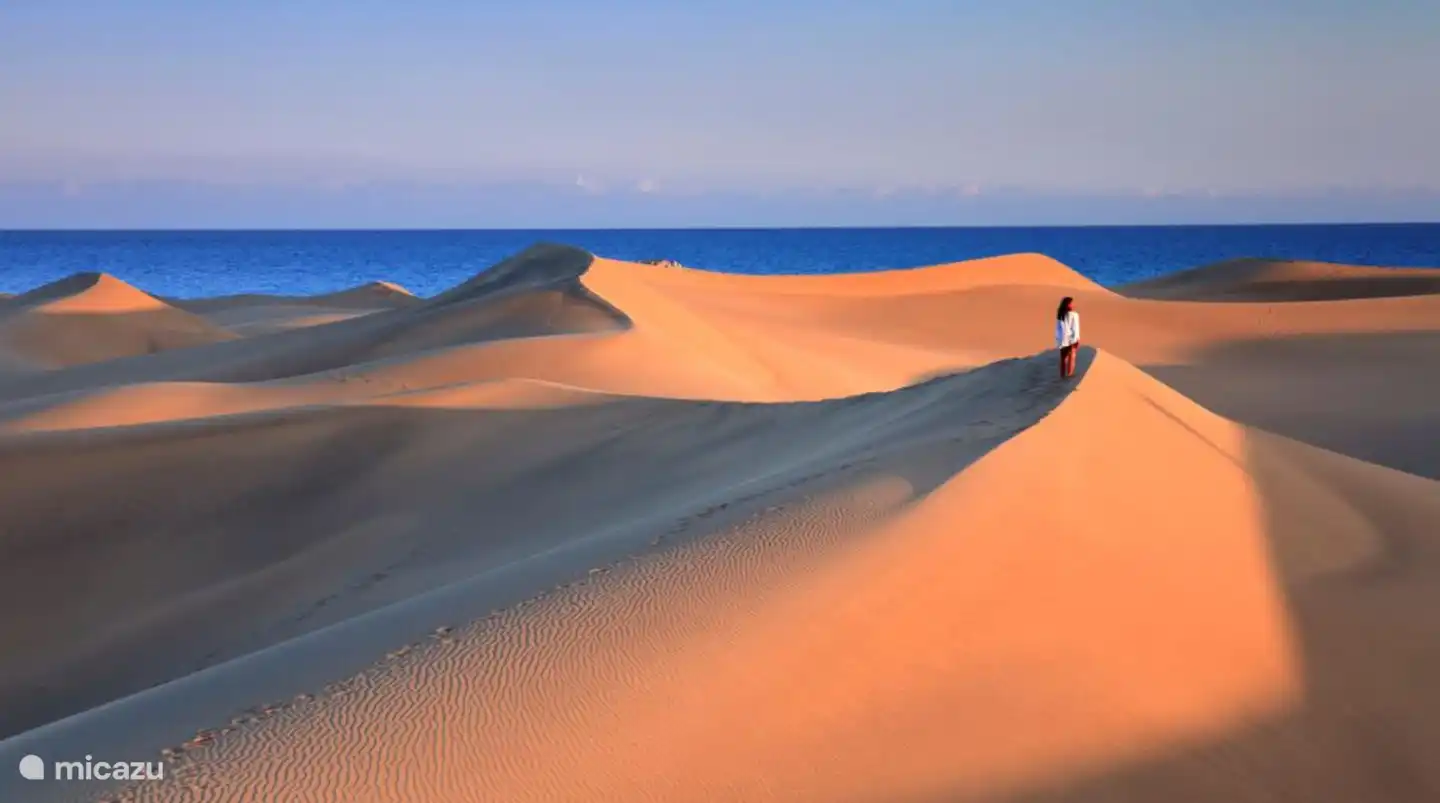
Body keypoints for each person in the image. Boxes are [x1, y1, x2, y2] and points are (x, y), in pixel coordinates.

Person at [1055, 296, 1080, 378]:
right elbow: (1075, 328)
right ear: (1068, 304)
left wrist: (1058, 339)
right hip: (1071, 339)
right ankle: (1070, 375)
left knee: (1063, 359)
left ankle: (1062, 376)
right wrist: (1076, 339)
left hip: (1062, 339)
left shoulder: (1060, 315)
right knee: (1072, 357)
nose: (1073, 305)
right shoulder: (1074, 314)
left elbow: (1058, 328)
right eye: (1072, 303)